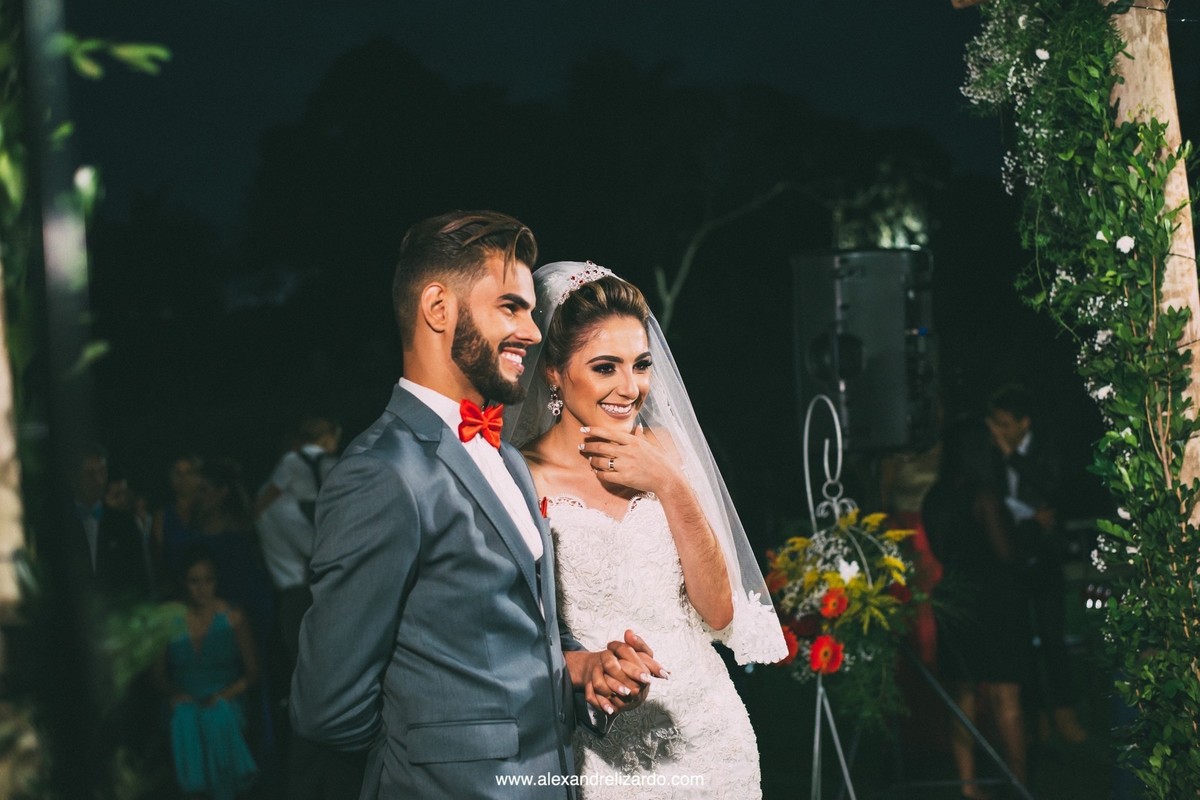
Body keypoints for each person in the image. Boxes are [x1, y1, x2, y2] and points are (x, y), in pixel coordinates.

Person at [290, 211, 662, 799]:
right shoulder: (382, 473)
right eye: (511, 308)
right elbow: (327, 707)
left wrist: (585, 669)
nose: (533, 332)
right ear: (438, 309)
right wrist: (429, 762)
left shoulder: (507, 458)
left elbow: (510, 638)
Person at [505, 262, 787, 797]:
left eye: (640, 365)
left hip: (711, 736)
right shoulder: (520, 476)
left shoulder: (668, 450)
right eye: (605, 367)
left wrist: (668, 483)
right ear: (553, 372)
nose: (629, 388)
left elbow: (718, 611)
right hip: (600, 748)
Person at [923, 416, 1031, 798]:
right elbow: (1005, 553)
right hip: (993, 601)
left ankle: (968, 786)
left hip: (954, 600)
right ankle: (1019, 785)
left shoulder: (934, 497)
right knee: (1006, 699)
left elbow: (940, 551)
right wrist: (1030, 532)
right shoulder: (984, 495)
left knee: (962, 698)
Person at [986, 383, 1088, 745]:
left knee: (1052, 638)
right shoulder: (989, 453)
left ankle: (1064, 713)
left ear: (1024, 423)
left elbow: (1051, 486)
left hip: (1044, 555)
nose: (998, 432)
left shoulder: (1046, 447)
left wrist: (1012, 457)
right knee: (1020, 644)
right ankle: (1034, 717)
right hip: (1010, 555)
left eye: (1004, 424)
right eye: (995, 424)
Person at [155, 547, 259, 800]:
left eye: (208, 580)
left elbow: (252, 672)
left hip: (225, 695)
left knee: (217, 716)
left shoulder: (233, 616)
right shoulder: (167, 618)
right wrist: (175, 693)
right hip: (185, 696)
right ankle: (194, 793)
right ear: (183, 583)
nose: (202, 589)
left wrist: (226, 694)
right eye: (194, 581)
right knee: (184, 716)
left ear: (216, 581)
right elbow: (157, 676)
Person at [255, 415, 342, 665]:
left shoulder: (299, 486)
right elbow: (315, 548)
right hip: (303, 593)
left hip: (310, 588)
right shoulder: (281, 503)